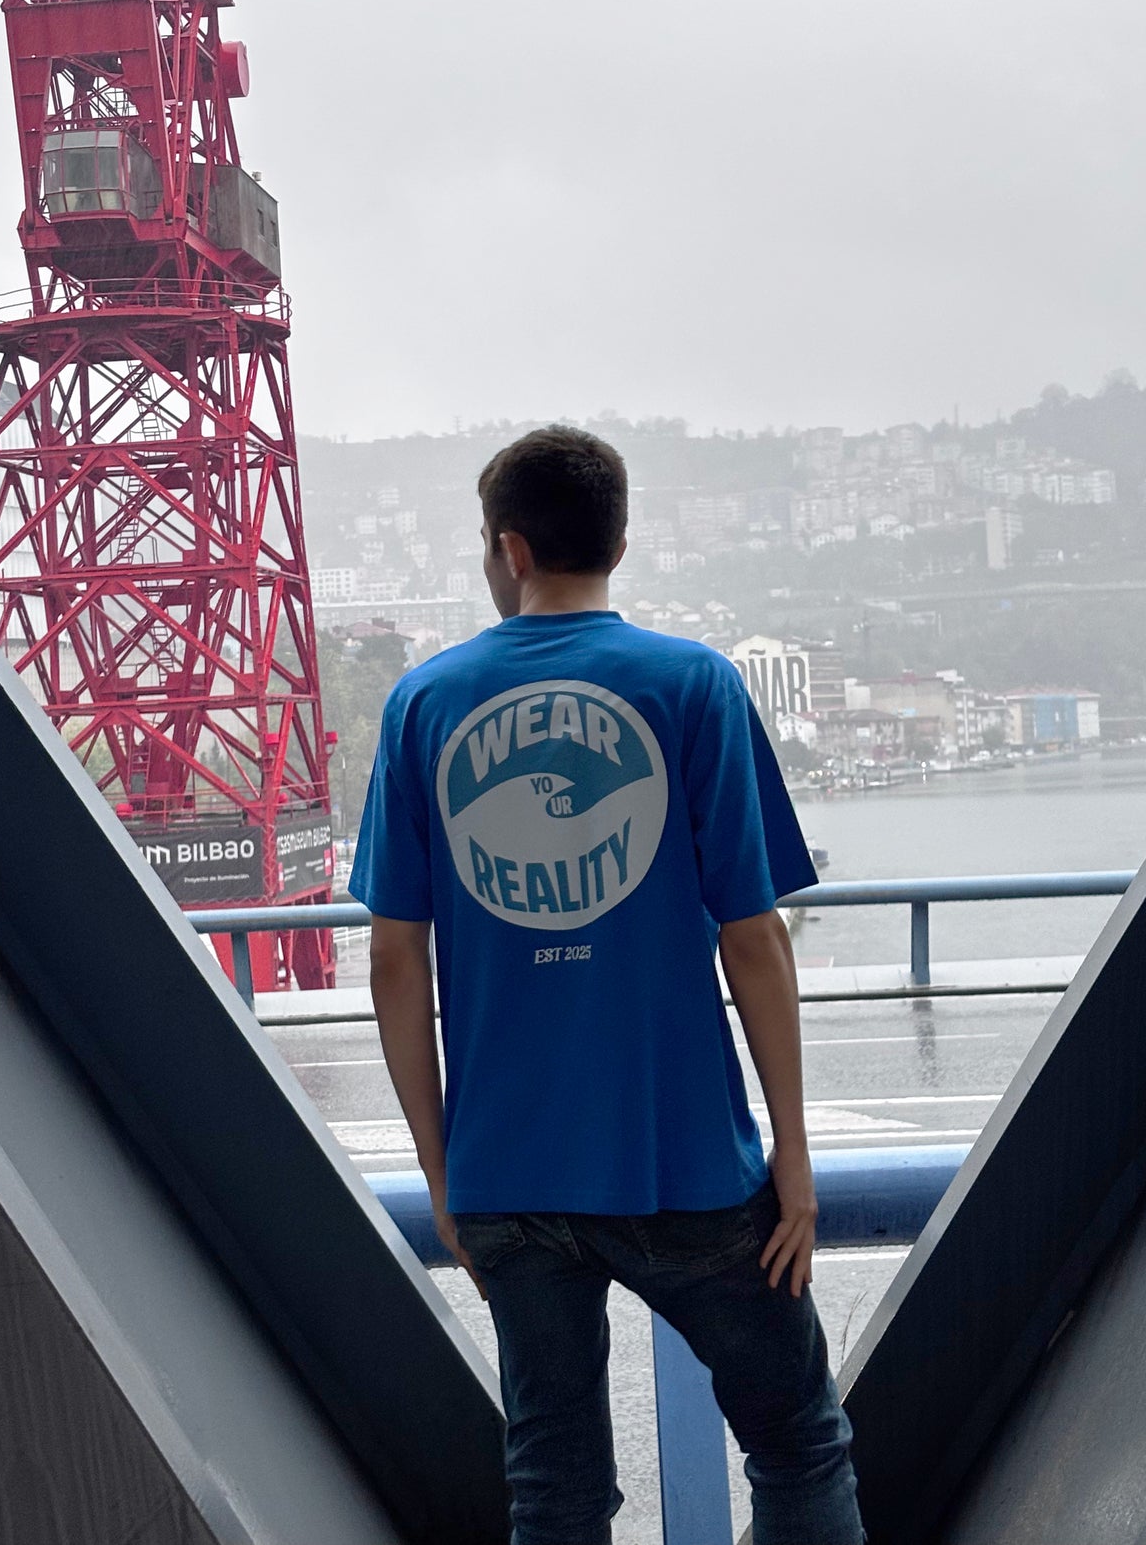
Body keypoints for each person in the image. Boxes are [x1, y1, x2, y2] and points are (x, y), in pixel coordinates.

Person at [352, 425, 864, 1545]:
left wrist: (448, 1178)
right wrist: (792, 1154)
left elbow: (392, 960)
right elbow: (754, 937)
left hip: (510, 1182)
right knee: (794, 1441)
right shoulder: (693, 686)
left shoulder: (423, 705)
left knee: (556, 1488)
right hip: (683, 1162)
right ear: (619, 544)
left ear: (508, 548)